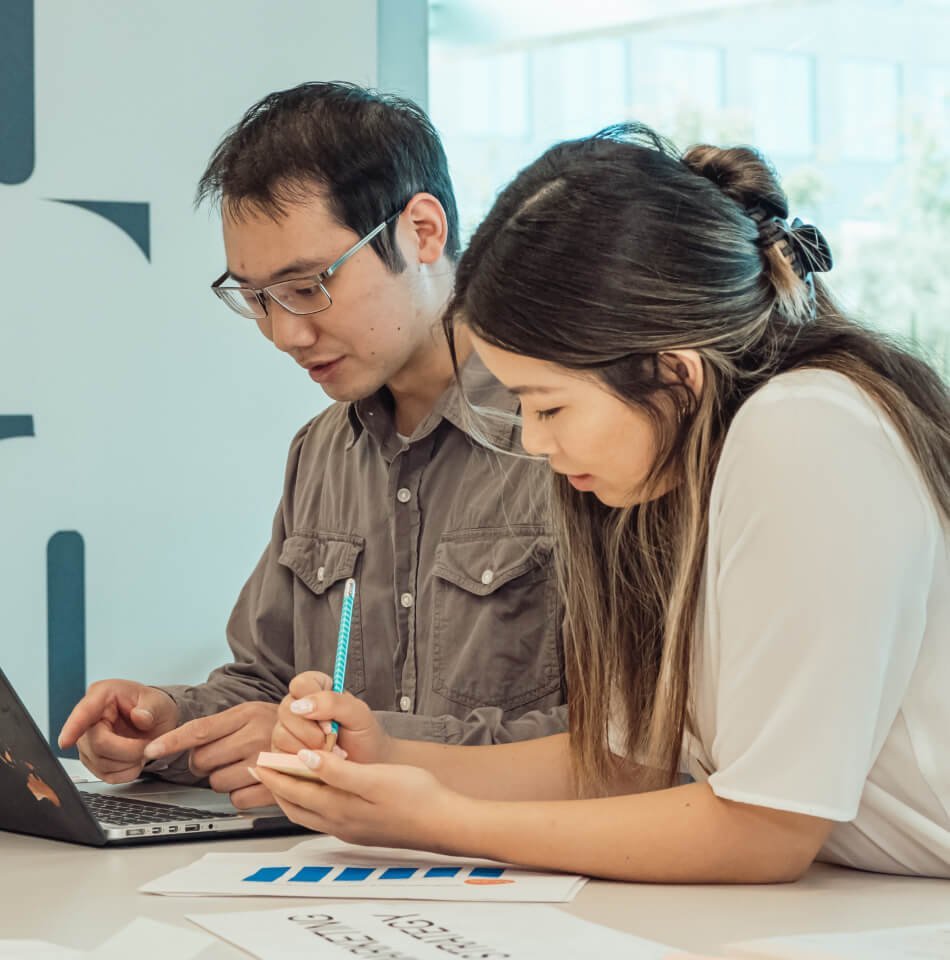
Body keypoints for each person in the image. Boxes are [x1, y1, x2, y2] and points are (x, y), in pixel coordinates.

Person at [255, 123, 950, 882]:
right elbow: (622, 761)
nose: (534, 442)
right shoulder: (677, 471)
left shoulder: (804, 428)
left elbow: (766, 833)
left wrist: (441, 822)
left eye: (549, 406)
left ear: (673, 374)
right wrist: (387, 758)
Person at [58, 82, 566, 809]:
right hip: (341, 858)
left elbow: (635, 737)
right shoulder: (322, 452)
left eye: (307, 286)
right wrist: (169, 724)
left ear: (423, 232)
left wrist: (353, 747)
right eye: (257, 298)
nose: (285, 334)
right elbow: (267, 683)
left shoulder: (567, 434)